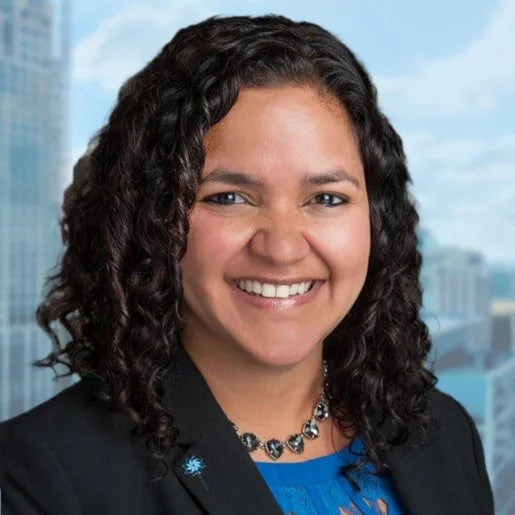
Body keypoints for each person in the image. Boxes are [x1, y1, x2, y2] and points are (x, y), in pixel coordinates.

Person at [0, 14, 494, 515]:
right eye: (229, 197)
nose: (281, 248)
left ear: (376, 221)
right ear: (150, 219)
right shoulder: (47, 475)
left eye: (326, 198)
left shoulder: (444, 434)